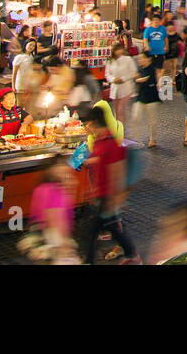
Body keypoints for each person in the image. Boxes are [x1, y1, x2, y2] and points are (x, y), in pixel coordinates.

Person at [82, 106, 140, 264]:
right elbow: (101, 159)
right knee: (112, 228)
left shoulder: (110, 143)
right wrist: (88, 161)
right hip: (102, 193)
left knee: (94, 230)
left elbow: (117, 170)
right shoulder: (101, 141)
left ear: (94, 122)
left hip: (108, 194)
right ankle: (131, 254)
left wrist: (116, 196)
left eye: (87, 124)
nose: (86, 127)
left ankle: (89, 260)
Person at [105, 42, 137, 131]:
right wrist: (113, 79)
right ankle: (117, 125)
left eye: (120, 49)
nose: (119, 52)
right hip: (115, 88)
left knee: (120, 109)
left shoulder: (128, 59)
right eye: (117, 50)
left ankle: (121, 128)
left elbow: (133, 72)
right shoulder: (110, 61)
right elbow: (107, 74)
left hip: (126, 88)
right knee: (116, 110)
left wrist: (123, 79)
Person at [132, 51, 160, 148]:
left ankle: (152, 139)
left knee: (152, 120)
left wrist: (137, 79)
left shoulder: (151, 69)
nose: (140, 60)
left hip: (151, 97)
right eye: (139, 58)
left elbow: (146, 80)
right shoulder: (140, 68)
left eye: (142, 58)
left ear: (149, 59)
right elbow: (138, 78)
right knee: (136, 117)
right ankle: (136, 139)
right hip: (141, 96)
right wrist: (137, 79)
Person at [12, 40, 42, 110]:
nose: (32, 47)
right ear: (26, 44)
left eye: (34, 46)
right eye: (30, 45)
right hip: (20, 84)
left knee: (29, 105)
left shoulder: (32, 57)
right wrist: (13, 86)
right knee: (19, 105)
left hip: (30, 85)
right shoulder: (19, 57)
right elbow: (14, 73)